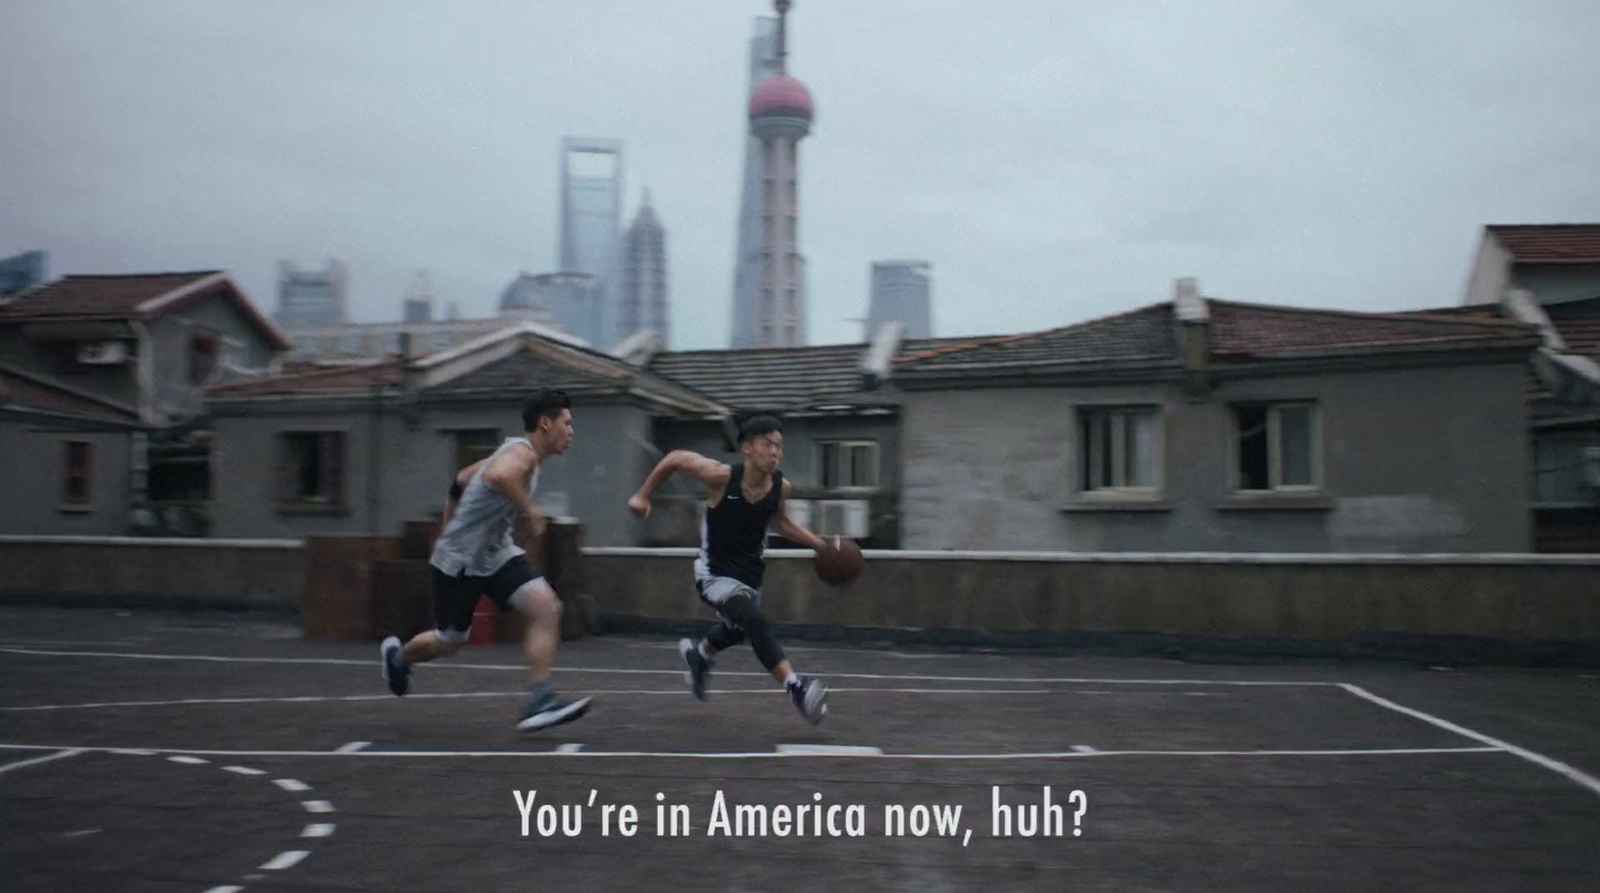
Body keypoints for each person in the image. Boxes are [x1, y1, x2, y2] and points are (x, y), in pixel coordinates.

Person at [380, 389, 591, 733]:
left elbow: (462, 478)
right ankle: (398, 659)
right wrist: (531, 512)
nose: (571, 431)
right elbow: (497, 477)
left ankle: (540, 701)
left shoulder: (513, 451)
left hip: (494, 554)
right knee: (451, 640)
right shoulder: (521, 456)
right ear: (545, 423)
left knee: (547, 608)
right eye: (567, 423)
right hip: (460, 563)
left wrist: (447, 526)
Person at [627, 415, 832, 724]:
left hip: (750, 575)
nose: (775, 452)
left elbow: (779, 521)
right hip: (714, 575)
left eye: (779, 446)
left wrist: (819, 544)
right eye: (767, 445)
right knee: (754, 621)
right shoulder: (720, 477)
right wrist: (643, 495)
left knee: (739, 629)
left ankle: (699, 655)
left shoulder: (781, 487)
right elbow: (675, 458)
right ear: (748, 448)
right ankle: (796, 688)